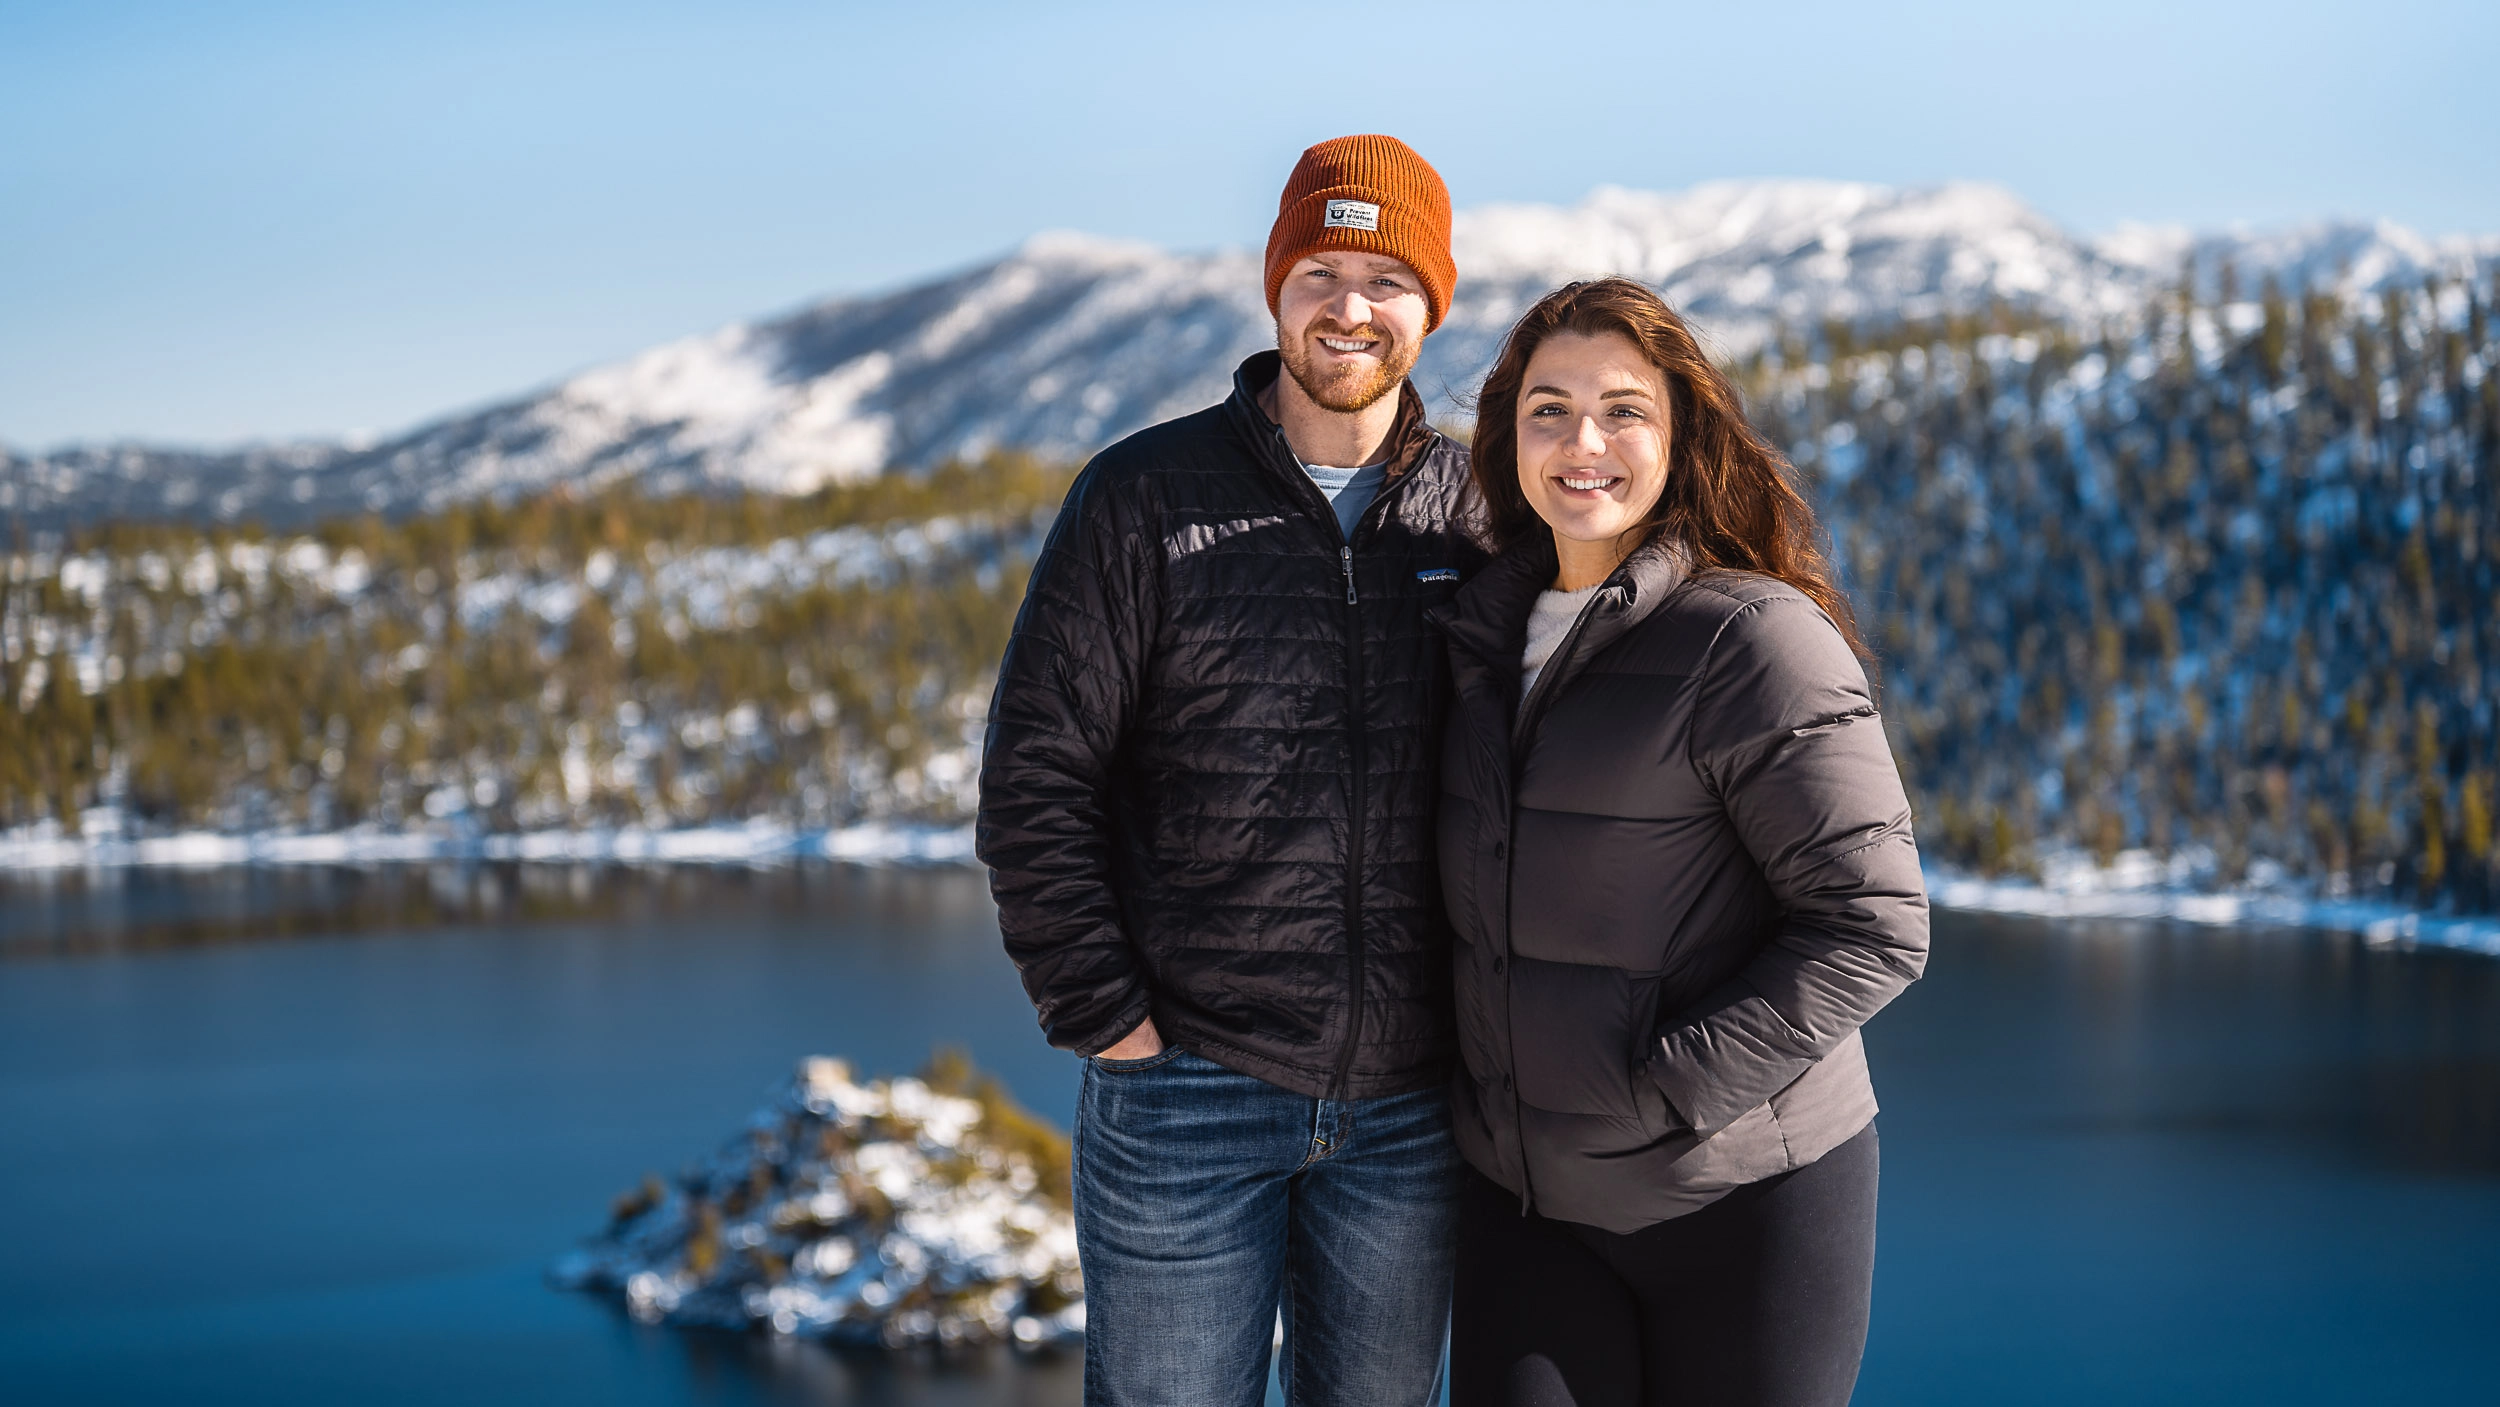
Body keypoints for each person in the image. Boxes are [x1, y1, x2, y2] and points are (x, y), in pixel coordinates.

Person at [975, 135, 1483, 1407]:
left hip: (1413, 1108)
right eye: (1319, 271)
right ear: (1275, 290)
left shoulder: (1483, 514)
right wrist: (1108, 1021)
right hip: (1188, 1090)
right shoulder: (1143, 497)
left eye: (1385, 277)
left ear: (1432, 304)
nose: (1349, 308)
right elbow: (1036, 775)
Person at [1430, 277, 1930, 1407]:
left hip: (1744, 1206)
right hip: (1527, 1209)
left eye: (1622, 410)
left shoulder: (1752, 642)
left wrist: (1660, 1090)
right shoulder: (1470, 633)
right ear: (1507, 434)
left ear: (1679, 434)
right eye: (1547, 410)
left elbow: (1875, 926)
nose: (1582, 443)